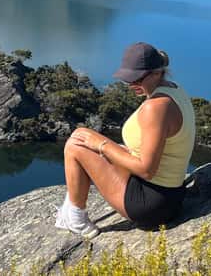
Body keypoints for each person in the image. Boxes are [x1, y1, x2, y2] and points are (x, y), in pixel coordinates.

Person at [54, 42, 195, 237]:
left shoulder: (155, 108)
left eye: (137, 79)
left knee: (75, 145)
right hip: (171, 195)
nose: (131, 85)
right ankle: (70, 208)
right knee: (83, 135)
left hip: (150, 203)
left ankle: (74, 218)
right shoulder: (174, 90)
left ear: (156, 72)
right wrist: (111, 148)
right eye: (128, 79)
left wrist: (102, 145)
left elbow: (146, 170)